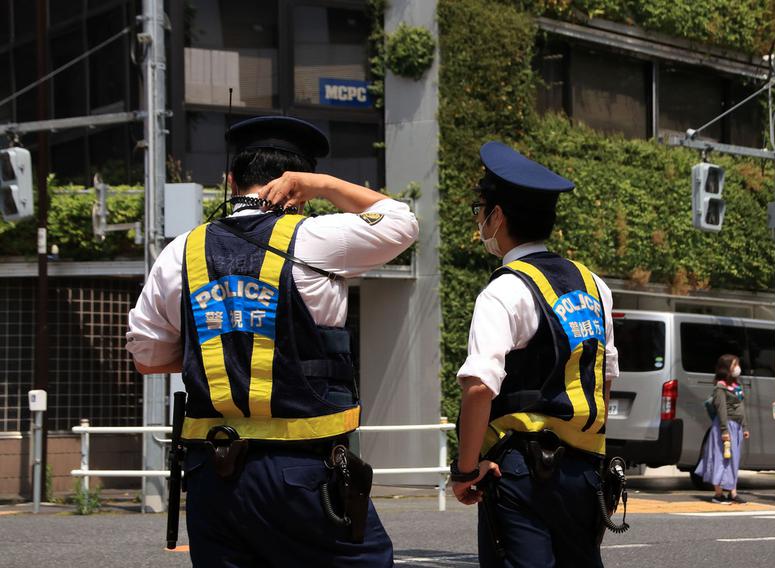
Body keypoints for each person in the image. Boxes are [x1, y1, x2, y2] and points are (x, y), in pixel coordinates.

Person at [126, 115, 418, 567]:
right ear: (296, 188)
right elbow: (401, 221)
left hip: (212, 475)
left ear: (229, 180)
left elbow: (146, 357)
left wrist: (221, 344)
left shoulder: (180, 251)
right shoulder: (316, 238)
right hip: (304, 473)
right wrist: (322, 184)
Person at [451, 141, 619, 567]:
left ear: (499, 217)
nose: (481, 223)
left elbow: (477, 388)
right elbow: (605, 378)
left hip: (521, 471)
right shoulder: (594, 285)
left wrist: (466, 469)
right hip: (585, 471)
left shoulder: (504, 290)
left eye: (481, 213)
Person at [695, 354, 751, 505]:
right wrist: (724, 431)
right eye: (734, 365)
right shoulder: (720, 387)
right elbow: (721, 411)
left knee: (733, 461)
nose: (737, 368)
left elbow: (741, 408)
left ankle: (733, 492)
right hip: (724, 428)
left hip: (737, 427)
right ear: (726, 368)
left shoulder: (736, 386)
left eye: (737, 364)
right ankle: (718, 493)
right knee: (720, 459)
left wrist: (744, 427)